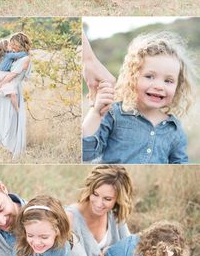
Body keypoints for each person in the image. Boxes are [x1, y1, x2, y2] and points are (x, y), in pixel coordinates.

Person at [66, 165, 200, 256]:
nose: (99, 203)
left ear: (118, 199)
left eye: (107, 198)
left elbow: (136, 251)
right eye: (95, 194)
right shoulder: (70, 219)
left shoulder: (114, 214)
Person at [83, 31, 196, 164]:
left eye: (168, 81)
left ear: (178, 86)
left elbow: (180, 165)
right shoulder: (114, 114)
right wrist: (96, 113)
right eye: (149, 76)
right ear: (132, 78)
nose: (159, 86)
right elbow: (85, 153)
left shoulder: (174, 129)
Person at [0, 32, 31, 159]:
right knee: (2, 117)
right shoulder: (15, 56)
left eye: (14, 44)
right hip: (7, 86)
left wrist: (0, 84)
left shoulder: (24, 58)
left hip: (11, 87)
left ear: (20, 44)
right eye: (11, 45)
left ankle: (12, 146)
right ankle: (7, 146)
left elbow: (13, 75)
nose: (12, 47)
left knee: (11, 118)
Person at [0, 39, 28, 111]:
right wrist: (27, 51)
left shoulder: (2, 55)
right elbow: (22, 55)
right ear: (5, 48)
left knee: (9, 91)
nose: (11, 46)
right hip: (3, 75)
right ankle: (17, 109)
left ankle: (0, 89)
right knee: (12, 93)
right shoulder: (9, 55)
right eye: (9, 45)